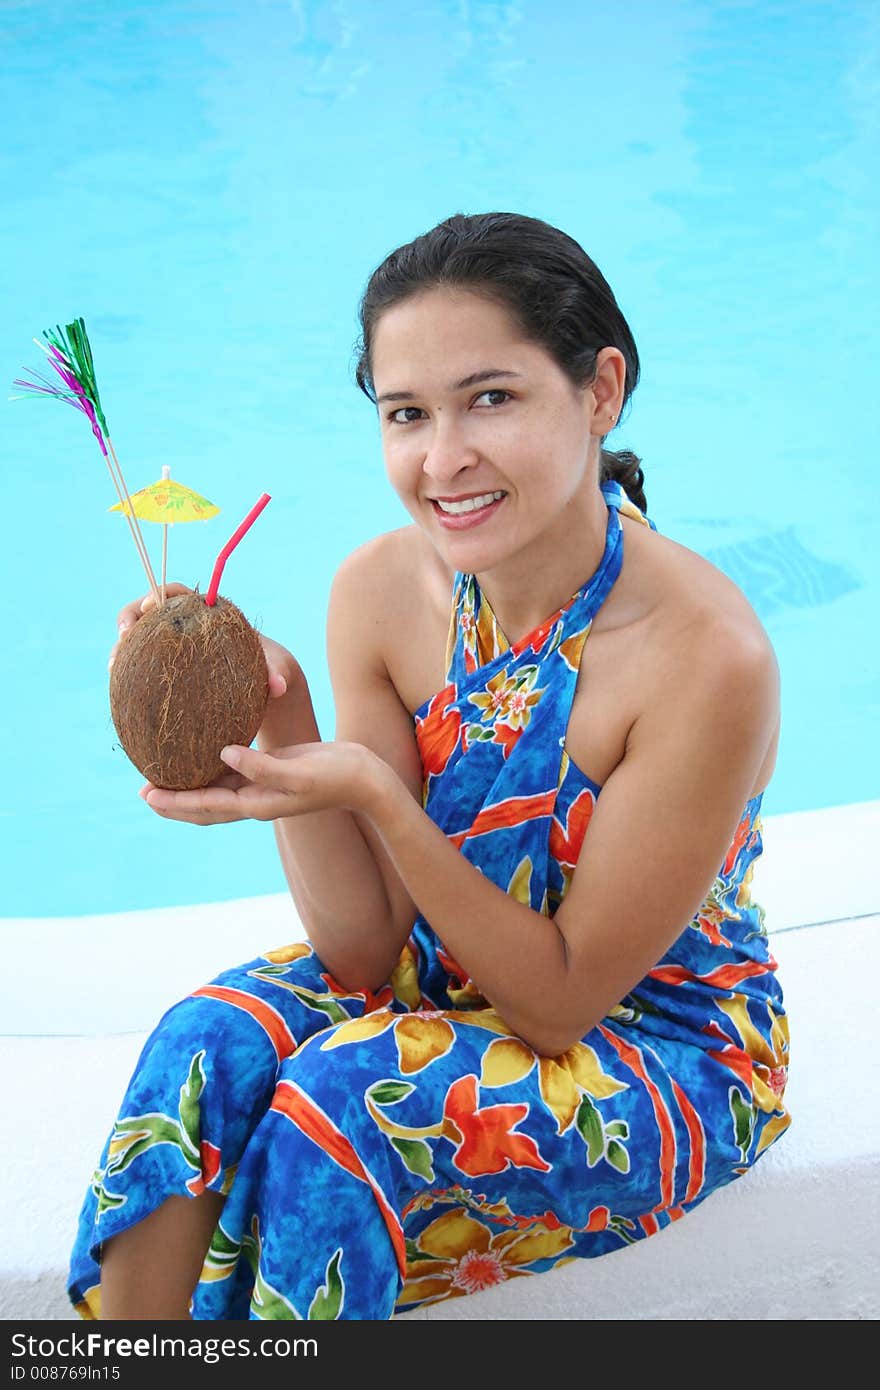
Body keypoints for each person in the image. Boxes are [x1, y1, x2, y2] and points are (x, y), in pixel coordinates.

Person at [69, 211, 791, 1322]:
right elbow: (365, 953)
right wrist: (285, 721)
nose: (440, 458)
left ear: (599, 390)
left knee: (347, 1105)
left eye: (489, 398)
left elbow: (557, 1004)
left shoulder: (705, 655)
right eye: (406, 413)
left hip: (654, 1039)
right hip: (443, 978)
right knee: (202, 1042)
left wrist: (370, 791)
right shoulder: (377, 592)